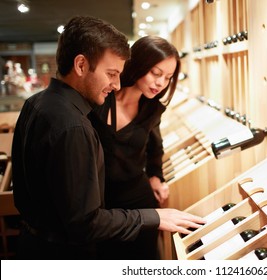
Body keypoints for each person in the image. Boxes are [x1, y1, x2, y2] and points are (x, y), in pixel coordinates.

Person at [11, 15, 204, 260]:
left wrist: (155, 178)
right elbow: (85, 222)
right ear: (81, 65)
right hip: (77, 237)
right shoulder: (78, 121)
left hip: (60, 232)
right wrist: (153, 217)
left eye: (168, 77)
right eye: (111, 73)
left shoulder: (36, 103)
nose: (115, 84)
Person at [88, 35, 181, 259]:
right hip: (99, 205)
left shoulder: (152, 109)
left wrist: (156, 177)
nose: (160, 83)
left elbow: (155, 149)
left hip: (138, 200)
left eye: (168, 77)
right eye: (156, 73)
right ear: (138, 63)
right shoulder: (101, 99)